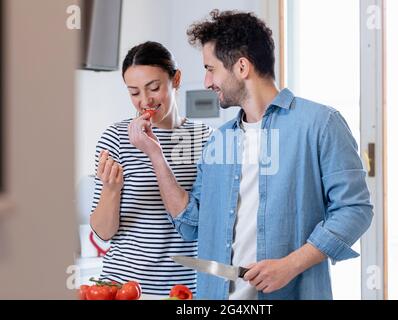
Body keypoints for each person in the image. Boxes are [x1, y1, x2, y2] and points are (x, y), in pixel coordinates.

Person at [136, 10, 373, 300]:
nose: (207, 81)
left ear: (242, 67)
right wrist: (155, 155)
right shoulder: (219, 140)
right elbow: (191, 224)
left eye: (211, 69)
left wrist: (290, 265)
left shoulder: (320, 124)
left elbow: (355, 210)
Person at [89, 41, 212, 296]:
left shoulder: (205, 139)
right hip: (123, 288)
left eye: (154, 88)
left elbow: (201, 223)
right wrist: (111, 190)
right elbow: (103, 232)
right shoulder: (116, 139)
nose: (145, 100)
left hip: (184, 289)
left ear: (176, 79)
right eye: (134, 92)